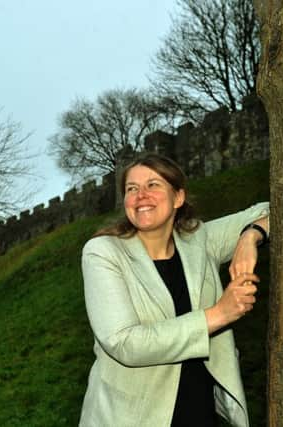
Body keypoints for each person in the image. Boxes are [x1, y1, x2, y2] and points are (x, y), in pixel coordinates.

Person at [79, 153, 270, 427]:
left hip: (200, 412)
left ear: (178, 197)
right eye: (132, 189)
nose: (141, 195)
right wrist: (219, 314)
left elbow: (276, 209)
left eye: (153, 185)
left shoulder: (199, 241)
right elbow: (124, 342)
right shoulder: (103, 252)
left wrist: (250, 236)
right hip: (130, 417)